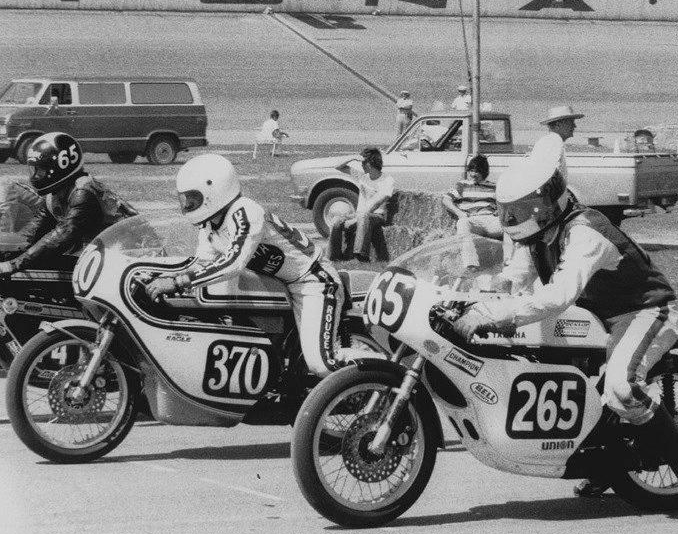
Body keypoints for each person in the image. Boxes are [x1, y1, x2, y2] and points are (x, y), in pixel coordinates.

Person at [451, 157, 678, 521]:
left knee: (621, 388)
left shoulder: (584, 231)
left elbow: (559, 295)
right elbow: (515, 276)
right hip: (596, 318)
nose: (512, 218)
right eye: (508, 211)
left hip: (642, 311)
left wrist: (498, 314)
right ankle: (604, 463)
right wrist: (480, 294)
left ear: (545, 202)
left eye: (521, 208)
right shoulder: (538, 236)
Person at [146, 154, 348, 375]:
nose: (188, 205)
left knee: (322, 365)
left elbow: (233, 262)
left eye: (193, 198)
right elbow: (202, 264)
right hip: (280, 286)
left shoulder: (245, 212)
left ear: (214, 190)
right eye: (186, 199)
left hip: (313, 280)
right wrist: (159, 273)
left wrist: (178, 282)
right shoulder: (209, 225)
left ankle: (380, 376)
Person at [0, 133, 137, 275]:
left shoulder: (83, 192)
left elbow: (62, 236)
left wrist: (14, 265)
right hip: (109, 250)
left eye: (40, 170)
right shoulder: (55, 194)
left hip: (132, 254)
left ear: (61, 164)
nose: (36, 176)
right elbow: (32, 231)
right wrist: (7, 253)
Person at [329, 148, 395, 262]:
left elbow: (376, 204)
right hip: (359, 215)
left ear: (370, 163)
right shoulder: (363, 177)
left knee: (363, 216)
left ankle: (360, 256)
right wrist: (353, 157)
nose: (361, 166)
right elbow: (338, 166)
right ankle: (334, 257)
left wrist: (357, 218)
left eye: (363, 163)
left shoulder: (388, 180)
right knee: (336, 220)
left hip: (376, 216)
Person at [442, 154, 503, 267]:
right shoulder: (462, 185)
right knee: (462, 223)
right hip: (473, 221)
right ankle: (471, 265)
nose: (473, 174)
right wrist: (459, 213)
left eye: (477, 171)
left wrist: (500, 211)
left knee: (508, 225)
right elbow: (446, 200)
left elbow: (504, 202)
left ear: (484, 172)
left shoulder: (494, 186)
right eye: (471, 171)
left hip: (491, 220)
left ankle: (509, 261)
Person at [530, 104, 582, 180]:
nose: (574, 126)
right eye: (571, 122)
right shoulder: (554, 142)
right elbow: (553, 176)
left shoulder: (549, 141)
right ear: (558, 125)